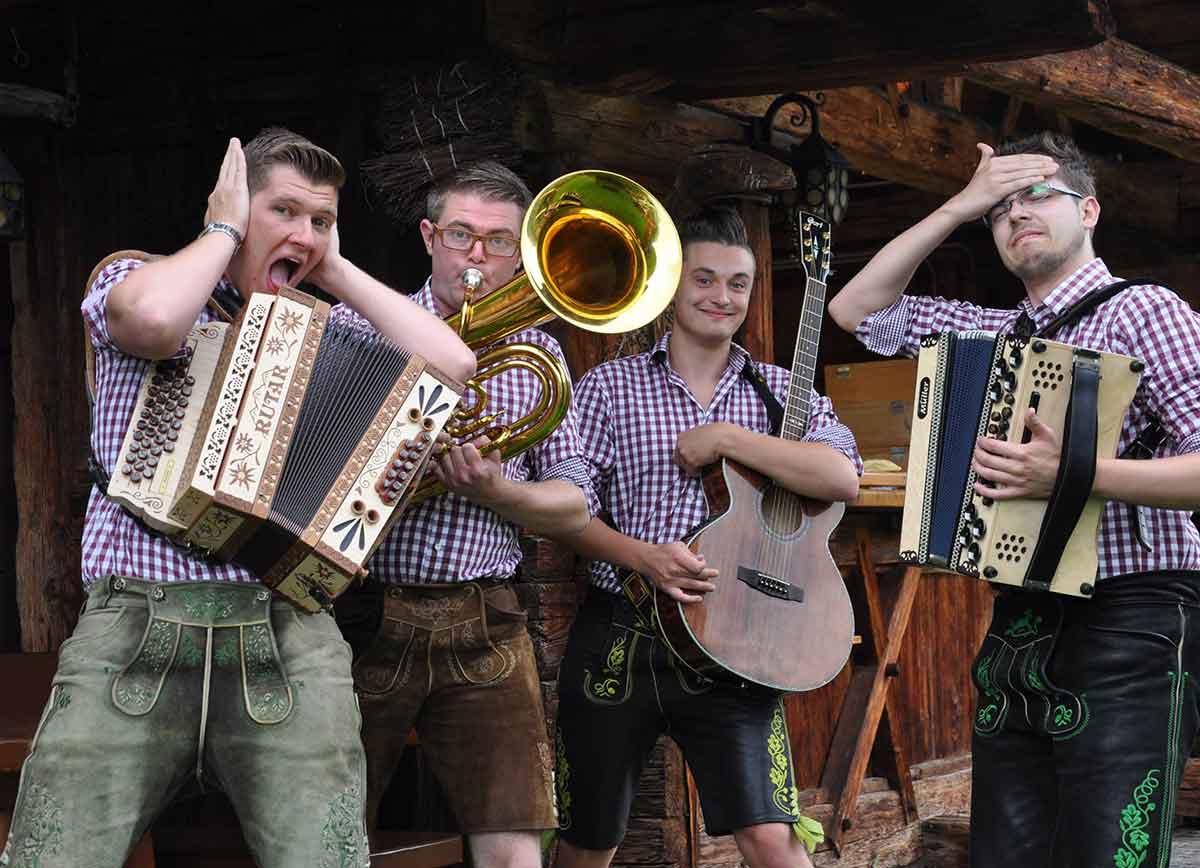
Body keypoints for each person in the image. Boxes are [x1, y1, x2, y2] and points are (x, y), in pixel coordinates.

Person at [0, 128, 476, 868]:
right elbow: (155, 325)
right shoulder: (139, 276)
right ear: (232, 206)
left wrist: (339, 268)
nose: (305, 234)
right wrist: (221, 230)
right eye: (285, 211)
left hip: (284, 633)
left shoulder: (330, 326)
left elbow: (451, 364)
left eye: (321, 220)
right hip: (135, 629)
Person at [827, 131, 1200, 868]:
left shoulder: (1145, 311)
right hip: (1021, 615)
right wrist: (962, 203)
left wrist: (1077, 475)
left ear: (1088, 210)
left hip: (1137, 610)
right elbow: (854, 311)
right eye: (1002, 208)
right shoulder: (990, 334)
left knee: (1107, 854)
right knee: (1007, 853)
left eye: (1039, 195)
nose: (1017, 214)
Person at [551, 206, 861, 868]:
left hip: (740, 639)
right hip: (621, 635)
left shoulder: (782, 395)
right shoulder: (609, 387)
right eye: (705, 279)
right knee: (588, 841)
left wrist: (727, 439)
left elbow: (842, 476)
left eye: (739, 284)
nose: (722, 297)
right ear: (672, 284)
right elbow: (569, 510)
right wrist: (645, 559)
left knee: (773, 837)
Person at [335, 161, 594, 868]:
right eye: (461, 235)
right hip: (360, 615)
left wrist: (497, 492)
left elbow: (576, 502)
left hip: (486, 620)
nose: (477, 256)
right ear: (428, 236)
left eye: (499, 242)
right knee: (329, 835)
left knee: (513, 842)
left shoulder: (538, 351)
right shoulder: (357, 323)